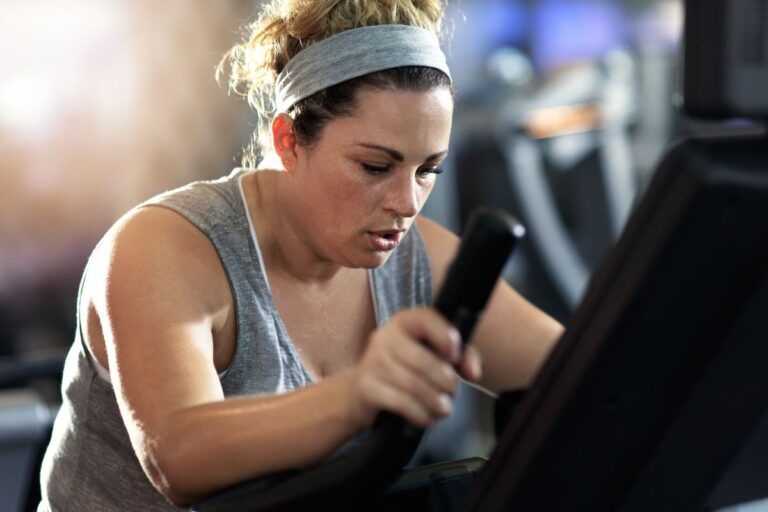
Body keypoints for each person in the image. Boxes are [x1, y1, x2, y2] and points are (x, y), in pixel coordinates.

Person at [38, 1, 563, 510]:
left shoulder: (416, 259)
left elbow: (589, 370)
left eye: (429, 169)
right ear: (288, 140)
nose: (407, 203)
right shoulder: (162, 248)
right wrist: (358, 396)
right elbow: (177, 457)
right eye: (375, 167)